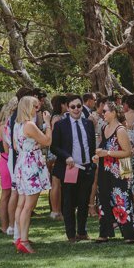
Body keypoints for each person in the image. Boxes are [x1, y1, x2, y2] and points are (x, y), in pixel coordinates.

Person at [49, 94, 96, 242]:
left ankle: (82, 231)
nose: (76, 109)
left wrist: (93, 161)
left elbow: (92, 146)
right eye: (73, 107)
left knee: (83, 201)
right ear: (67, 108)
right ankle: (71, 234)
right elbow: (54, 147)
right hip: (70, 168)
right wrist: (66, 156)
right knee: (69, 203)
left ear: (82, 106)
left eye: (78, 106)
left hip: (86, 167)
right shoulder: (60, 125)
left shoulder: (88, 124)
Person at [10, 95, 52, 254]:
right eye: (35, 107)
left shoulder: (17, 125)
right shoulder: (29, 125)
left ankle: (19, 238)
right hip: (31, 165)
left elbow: (15, 145)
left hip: (22, 163)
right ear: (28, 108)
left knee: (21, 204)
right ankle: (24, 241)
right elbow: (47, 141)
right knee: (28, 206)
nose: (38, 109)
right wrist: (48, 124)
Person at [92, 100, 134, 244]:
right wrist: (98, 156)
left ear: (113, 112)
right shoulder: (104, 127)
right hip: (105, 169)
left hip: (120, 170)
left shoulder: (120, 130)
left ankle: (129, 234)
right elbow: (103, 148)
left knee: (121, 199)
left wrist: (108, 153)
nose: (102, 113)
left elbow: (128, 152)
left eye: (105, 111)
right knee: (103, 198)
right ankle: (104, 233)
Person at [0, 96, 16, 234]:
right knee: (6, 194)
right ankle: (5, 226)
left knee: (10, 194)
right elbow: (7, 149)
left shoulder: (6, 125)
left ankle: (10, 225)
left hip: (9, 161)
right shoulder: (4, 127)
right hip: (7, 161)